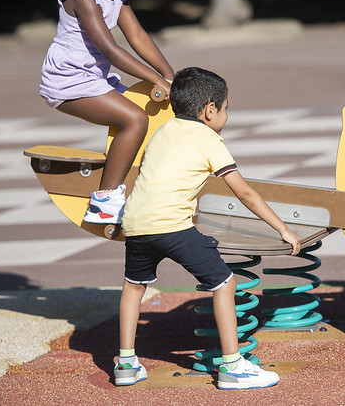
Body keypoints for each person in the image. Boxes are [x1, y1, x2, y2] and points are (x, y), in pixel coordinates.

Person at [114, 67, 301, 389]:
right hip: (171, 226)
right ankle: (232, 367)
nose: (226, 115)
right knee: (224, 284)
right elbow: (244, 193)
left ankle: (126, 363)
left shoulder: (163, 131)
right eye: (226, 107)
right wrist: (283, 229)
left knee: (133, 286)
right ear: (209, 109)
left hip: (135, 222)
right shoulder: (209, 139)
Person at [38, 0, 175, 225]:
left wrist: (170, 75)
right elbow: (110, 49)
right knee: (134, 119)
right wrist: (154, 78)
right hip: (68, 81)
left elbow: (137, 36)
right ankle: (105, 201)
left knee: (146, 108)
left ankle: (143, 179)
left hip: (94, 78)